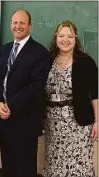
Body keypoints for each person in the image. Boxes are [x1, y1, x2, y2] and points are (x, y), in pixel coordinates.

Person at [0, 10, 51, 177]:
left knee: (25, 169)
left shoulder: (40, 53)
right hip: (5, 120)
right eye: (15, 23)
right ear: (10, 25)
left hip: (25, 122)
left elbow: (35, 87)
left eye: (22, 23)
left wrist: (10, 106)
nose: (18, 26)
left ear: (30, 26)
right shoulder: (5, 49)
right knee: (8, 167)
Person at [43, 20, 98, 177]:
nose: (65, 40)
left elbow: (96, 94)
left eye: (70, 36)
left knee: (79, 166)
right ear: (56, 38)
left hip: (78, 124)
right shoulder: (47, 60)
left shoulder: (85, 62)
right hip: (52, 123)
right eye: (61, 35)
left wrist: (97, 121)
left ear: (76, 39)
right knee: (54, 164)